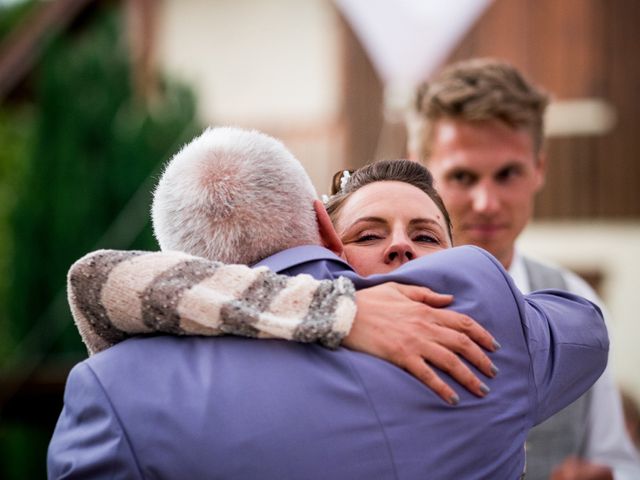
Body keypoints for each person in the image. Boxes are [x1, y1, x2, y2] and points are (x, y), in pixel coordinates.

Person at [48, 127, 608, 479]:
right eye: (368, 235)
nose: (401, 248)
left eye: (429, 237)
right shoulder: (485, 309)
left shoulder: (115, 391)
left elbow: (96, 280)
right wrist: (328, 309)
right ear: (326, 237)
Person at [408, 57, 640, 480]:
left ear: (539, 169)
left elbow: (617, 460)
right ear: (423, 175)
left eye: (507, 173)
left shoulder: (576, 300)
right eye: (462, 176)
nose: (487, 202)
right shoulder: (386, 301)